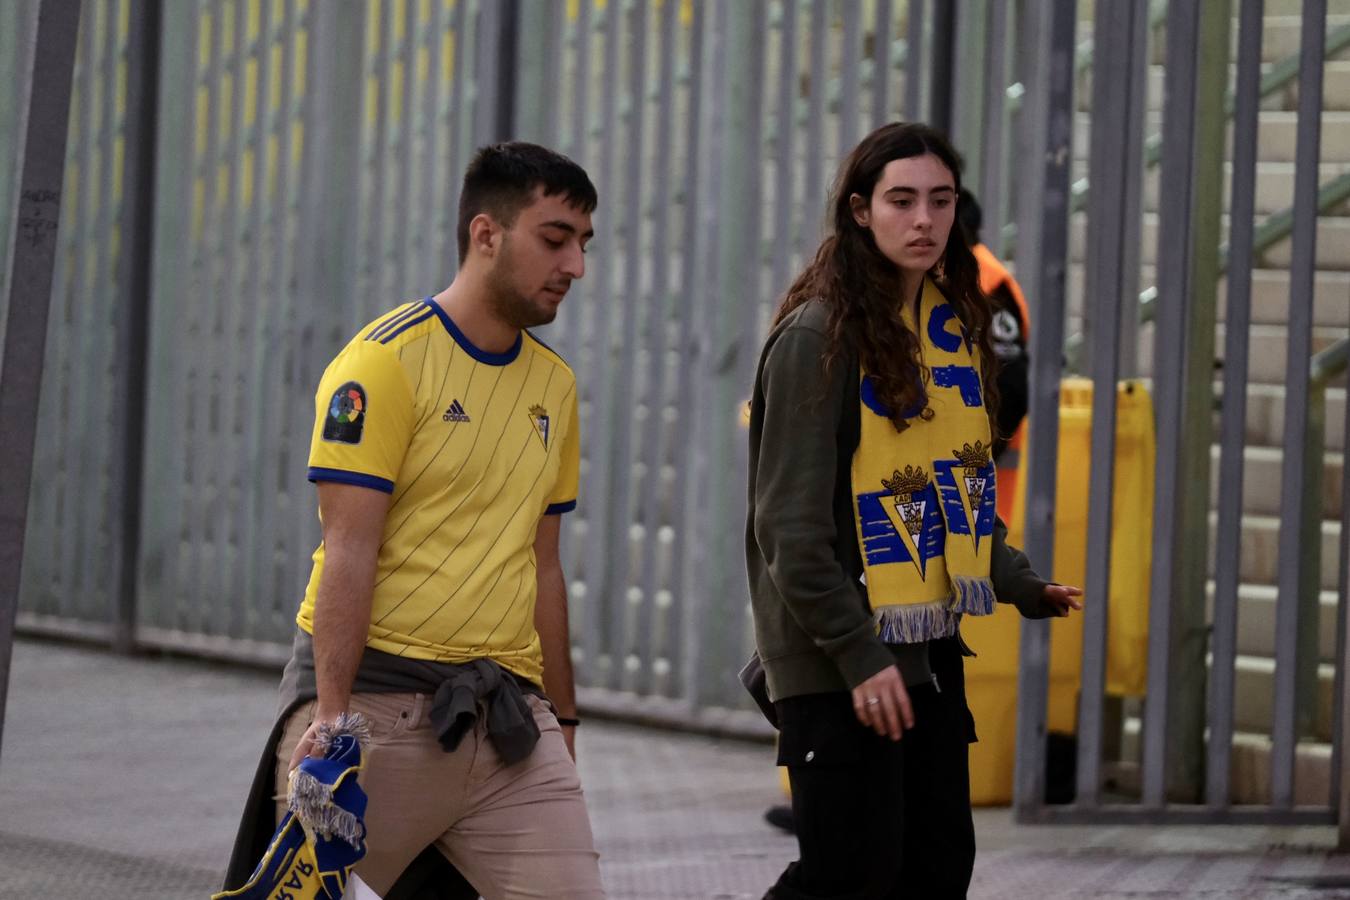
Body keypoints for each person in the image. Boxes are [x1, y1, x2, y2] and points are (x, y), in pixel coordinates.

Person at [222, 142, 605, 900]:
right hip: (373, 709)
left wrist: (562, 720)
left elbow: (544, 565)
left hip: (507, 725)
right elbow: (348, 549)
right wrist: (333, 720)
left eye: (584, 244)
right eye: (555, 239)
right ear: (486, 234)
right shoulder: (383, 363)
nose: (575, 266)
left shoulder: (555, 387)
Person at [745, 122, 1082, 899]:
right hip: (838, 657)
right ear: (860, 210)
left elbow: (954, 494)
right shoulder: (817, 336)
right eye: (902, 201)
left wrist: (1019, 581)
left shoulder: (948, 330)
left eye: (941, 200)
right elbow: (789, 532)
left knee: (934, 872)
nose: (925, 220)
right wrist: (860, 656)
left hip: (928, 647)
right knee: (846, 879)